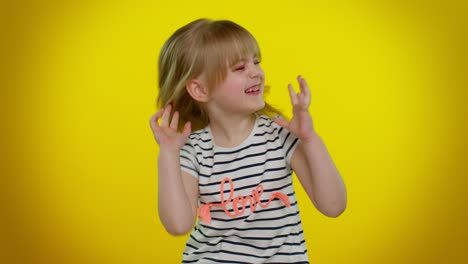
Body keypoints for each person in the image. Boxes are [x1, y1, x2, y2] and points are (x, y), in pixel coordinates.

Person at [149, 18, 347, 263]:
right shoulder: (194, 150)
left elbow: (334, 205)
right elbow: (178, 225)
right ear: (200, 90)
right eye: (239, 68)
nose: (256, 72)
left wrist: (310, 139)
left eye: (256, 62)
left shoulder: (279, 136)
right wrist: (168, 153)